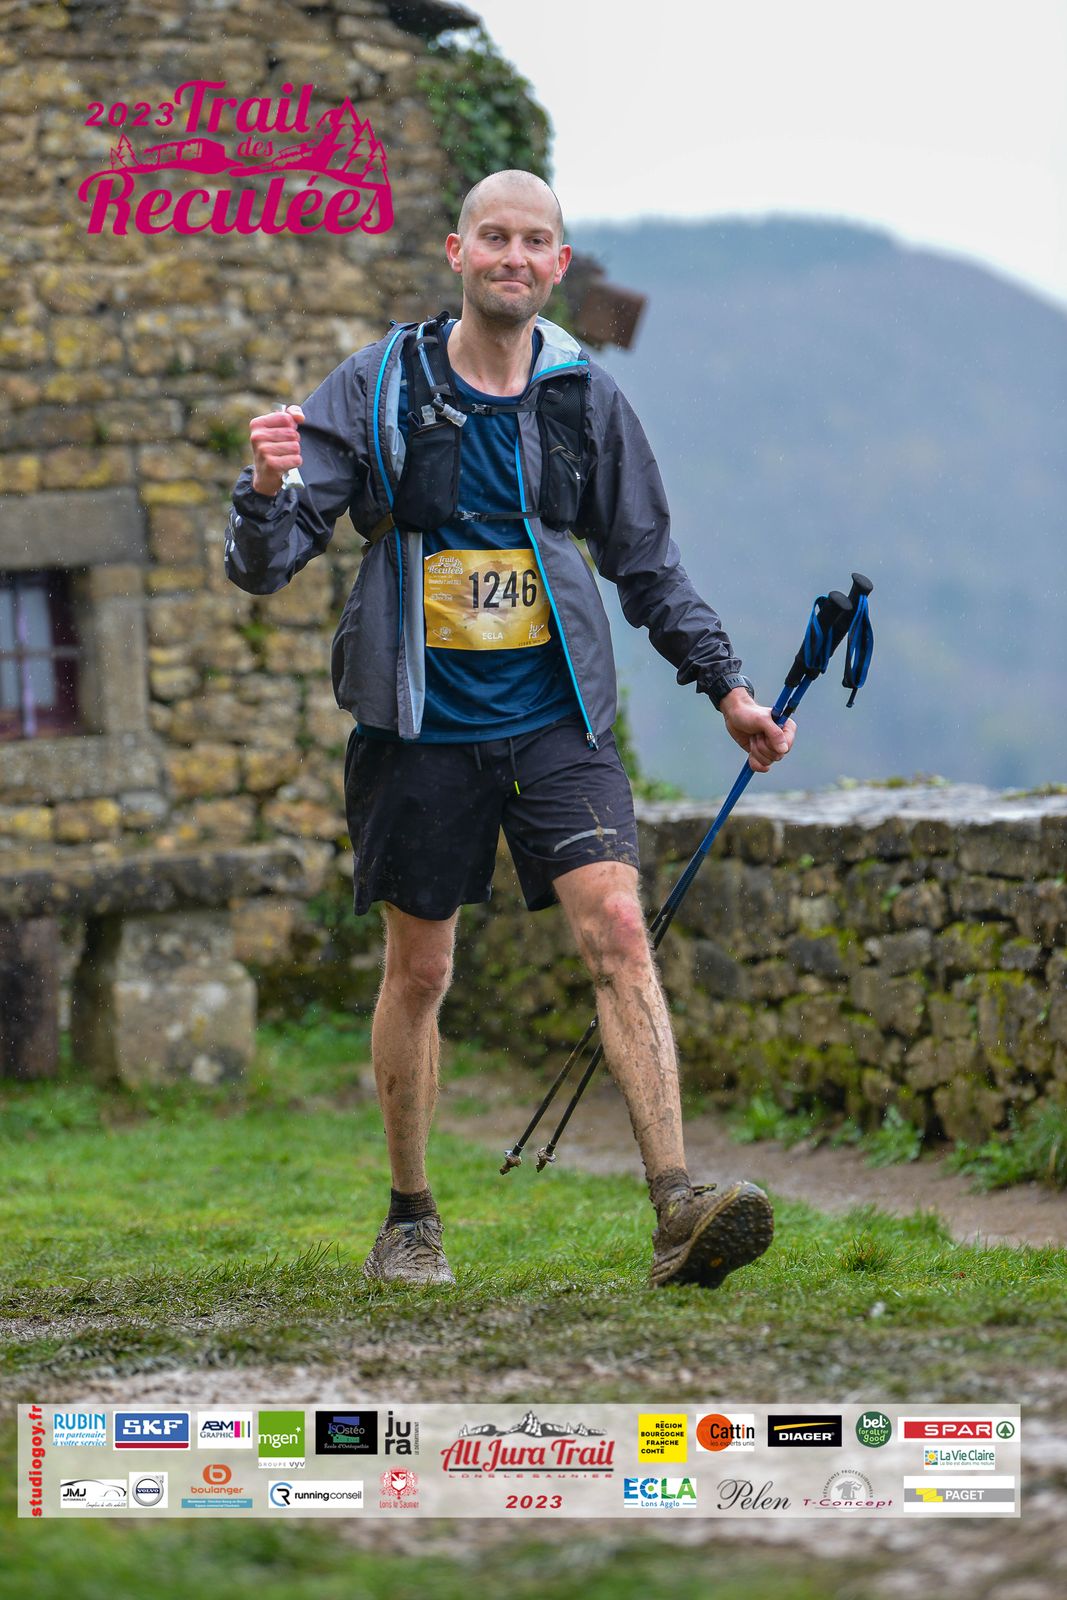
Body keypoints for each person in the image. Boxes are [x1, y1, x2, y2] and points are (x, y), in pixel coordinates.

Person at [225, 169, 796, 1292]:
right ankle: (409, 1220)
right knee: (421, 969)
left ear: (558, 263)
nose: (514, 258)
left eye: (536, 242)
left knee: (619, 927)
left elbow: (646, 563)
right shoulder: (378, 385)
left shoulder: (583, 399)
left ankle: (676, 1206)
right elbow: (267, 563)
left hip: (555, 719)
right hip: (417, 725)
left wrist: (726, 689)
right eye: (494, 237)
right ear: (457, 251)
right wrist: (262, 486)